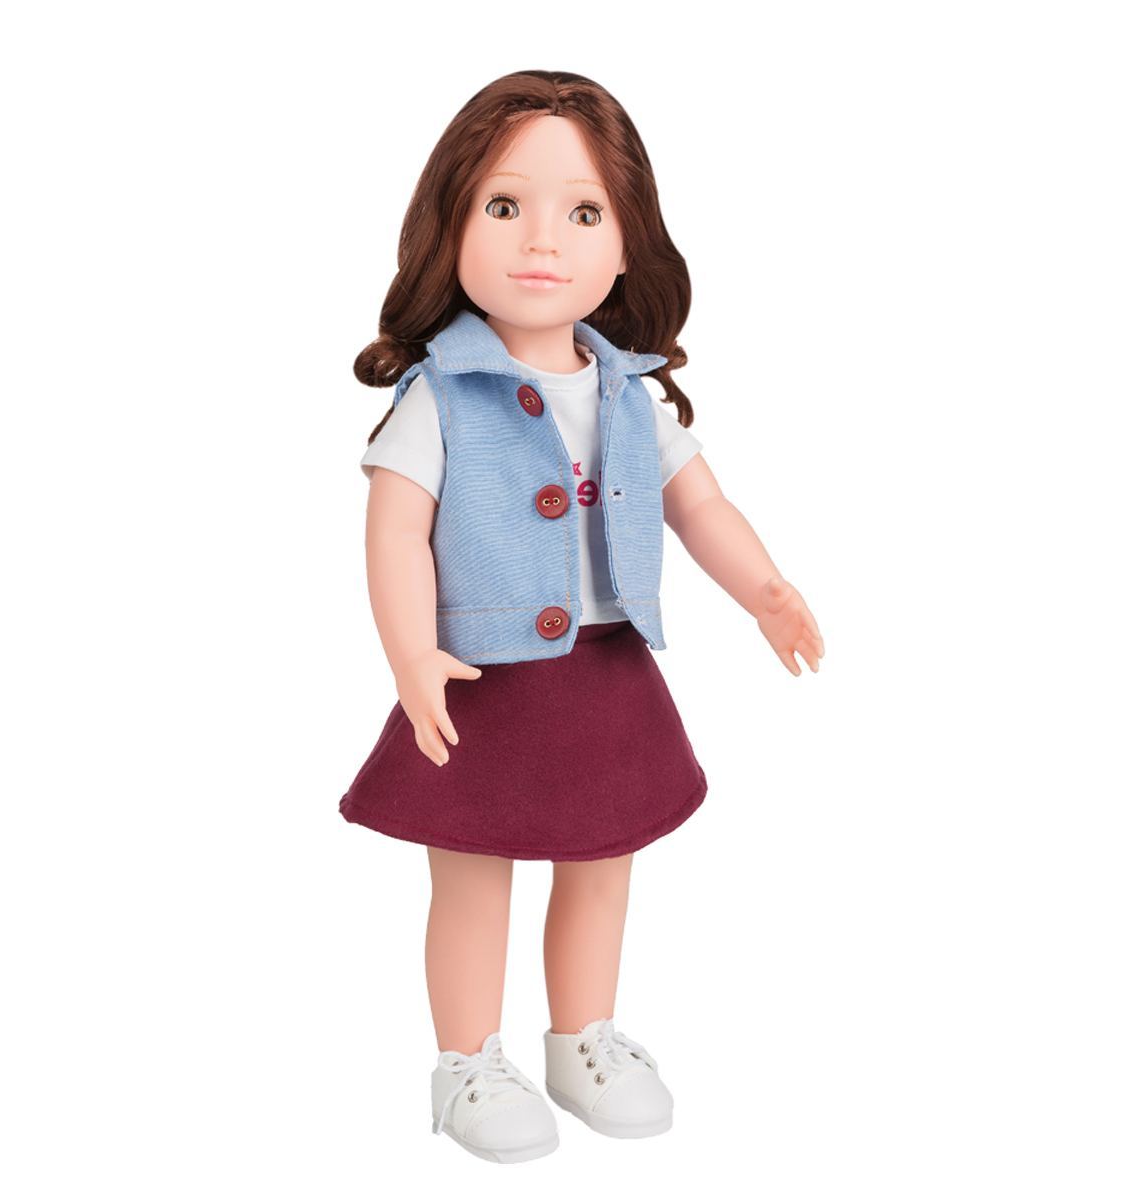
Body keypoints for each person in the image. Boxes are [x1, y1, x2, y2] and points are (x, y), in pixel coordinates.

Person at [339, 69, 825, 1163]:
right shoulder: (442, 393)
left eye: (584, 211)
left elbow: (700, 504)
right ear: (450, 225)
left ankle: (582, 1039)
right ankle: (467, 1061)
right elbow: (394, 531)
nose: (541, 241)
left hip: (605, 677)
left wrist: (765, 590)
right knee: (472, 879)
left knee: (603, 867)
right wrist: (411, 653)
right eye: (505, 205)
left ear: (627, 245)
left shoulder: (625, 392)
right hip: (479, 678)